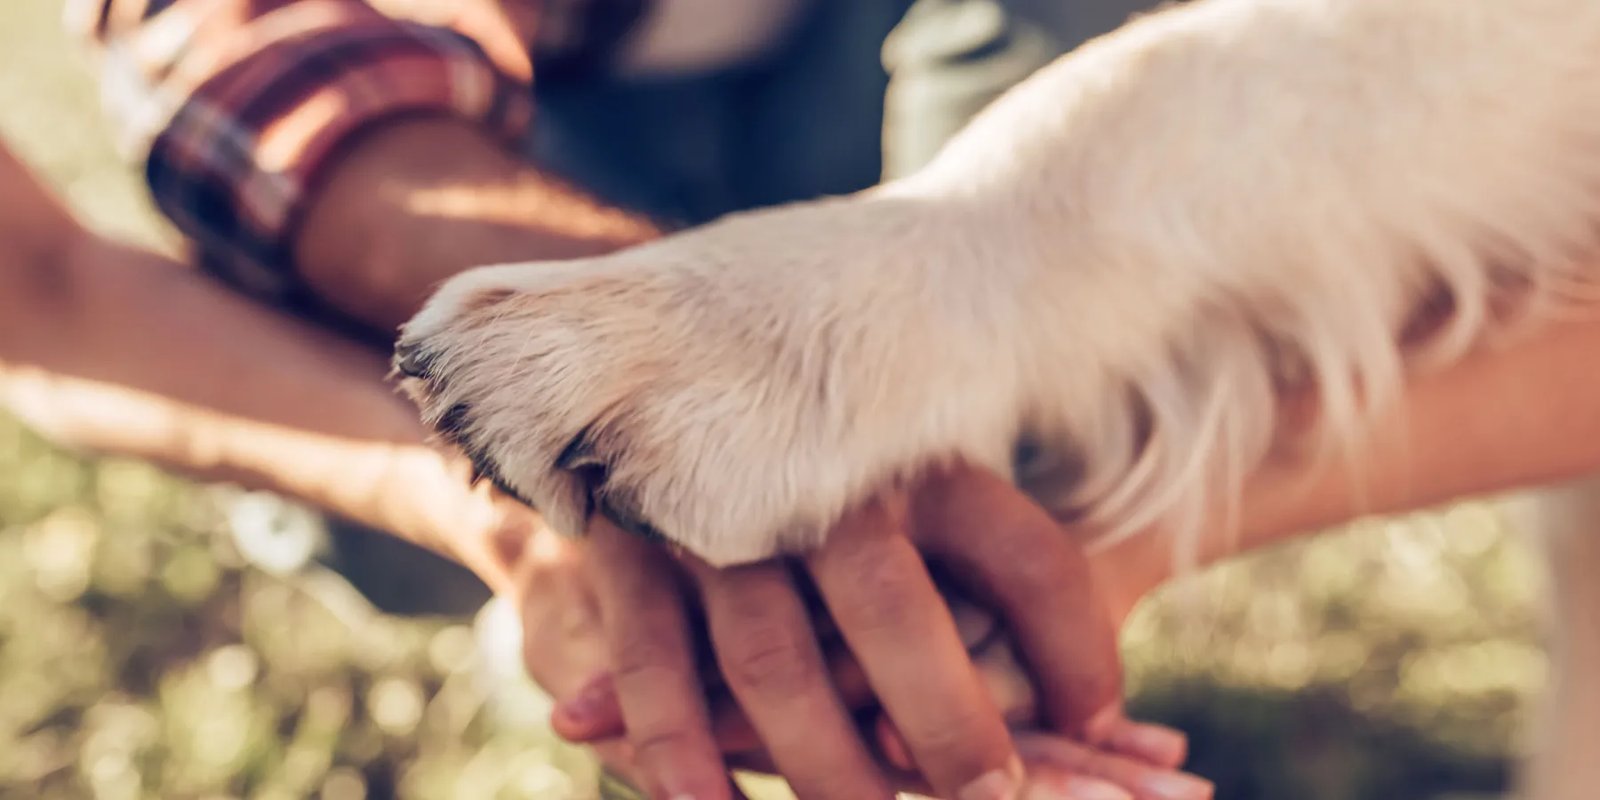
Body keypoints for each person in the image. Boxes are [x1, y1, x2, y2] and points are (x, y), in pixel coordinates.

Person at [27, 0, 1600, 796]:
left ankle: (983, 553)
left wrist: (1061, 522)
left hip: (1006, 88)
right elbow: (58, 281)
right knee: (390, 313)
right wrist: (559, 484)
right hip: (572, 146)